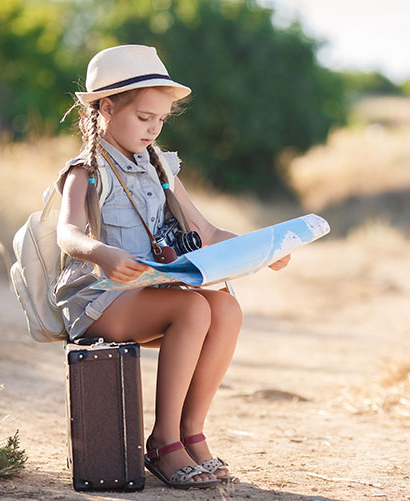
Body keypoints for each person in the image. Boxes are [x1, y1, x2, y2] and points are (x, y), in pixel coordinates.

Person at [55, 45, 290, 489]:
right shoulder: (86, 171)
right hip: (99, 297)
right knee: (192, 309)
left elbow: (205, 230)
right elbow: (67, 233)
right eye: (144, 117)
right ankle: (163, 442)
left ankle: (190, 432)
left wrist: (263, 249)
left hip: (148, 293)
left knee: (225, 308)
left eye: (161, 119)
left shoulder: (160, 166)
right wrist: (102, 253)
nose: (154, 128)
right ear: (106, 107)